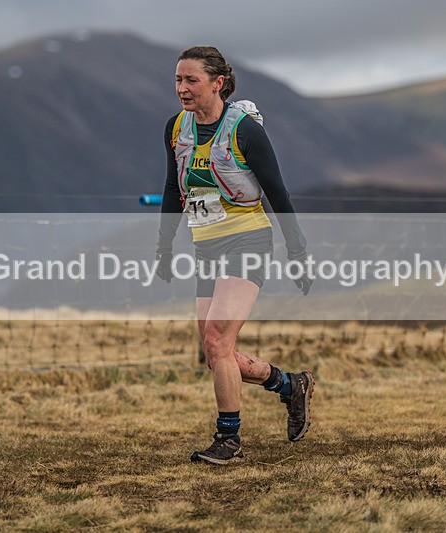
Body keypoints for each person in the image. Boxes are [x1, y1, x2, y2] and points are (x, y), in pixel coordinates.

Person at [155, 45, 315, 465]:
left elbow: (277, 193)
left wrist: (297, 251)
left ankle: (229, 440)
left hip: (247, 241)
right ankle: (289, 384)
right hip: (205, 245)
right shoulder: (176, 128)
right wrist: (164, 245)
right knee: (215, 353)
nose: (182, 89)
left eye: (191, 80)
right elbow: (174, 188)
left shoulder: (245, 130)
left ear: (217, 83)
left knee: (216, 340)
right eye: (178, 80)